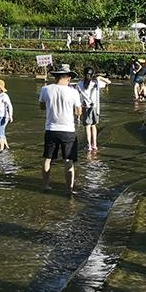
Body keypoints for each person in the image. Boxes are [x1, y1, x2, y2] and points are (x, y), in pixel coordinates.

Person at [39, 64, 83, 195]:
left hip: (51, 129)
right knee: (68, 161)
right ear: (68, 78)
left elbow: (42, 107)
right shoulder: (73, 92)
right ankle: (69, 189)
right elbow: (78, 111)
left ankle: (46, 185)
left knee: (48, 159)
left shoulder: (45, 89)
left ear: (56, 76)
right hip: (68, 130)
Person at [76, 68, 110, 153]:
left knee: (87, 126)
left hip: (85, 107)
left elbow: (75, 95)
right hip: (95, 107)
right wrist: (99, 77)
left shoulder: (79, 84)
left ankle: (89, 146)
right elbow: (109, 82)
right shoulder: (96, 83)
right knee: (94, 126)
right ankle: (94, 144)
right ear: (92, 74)